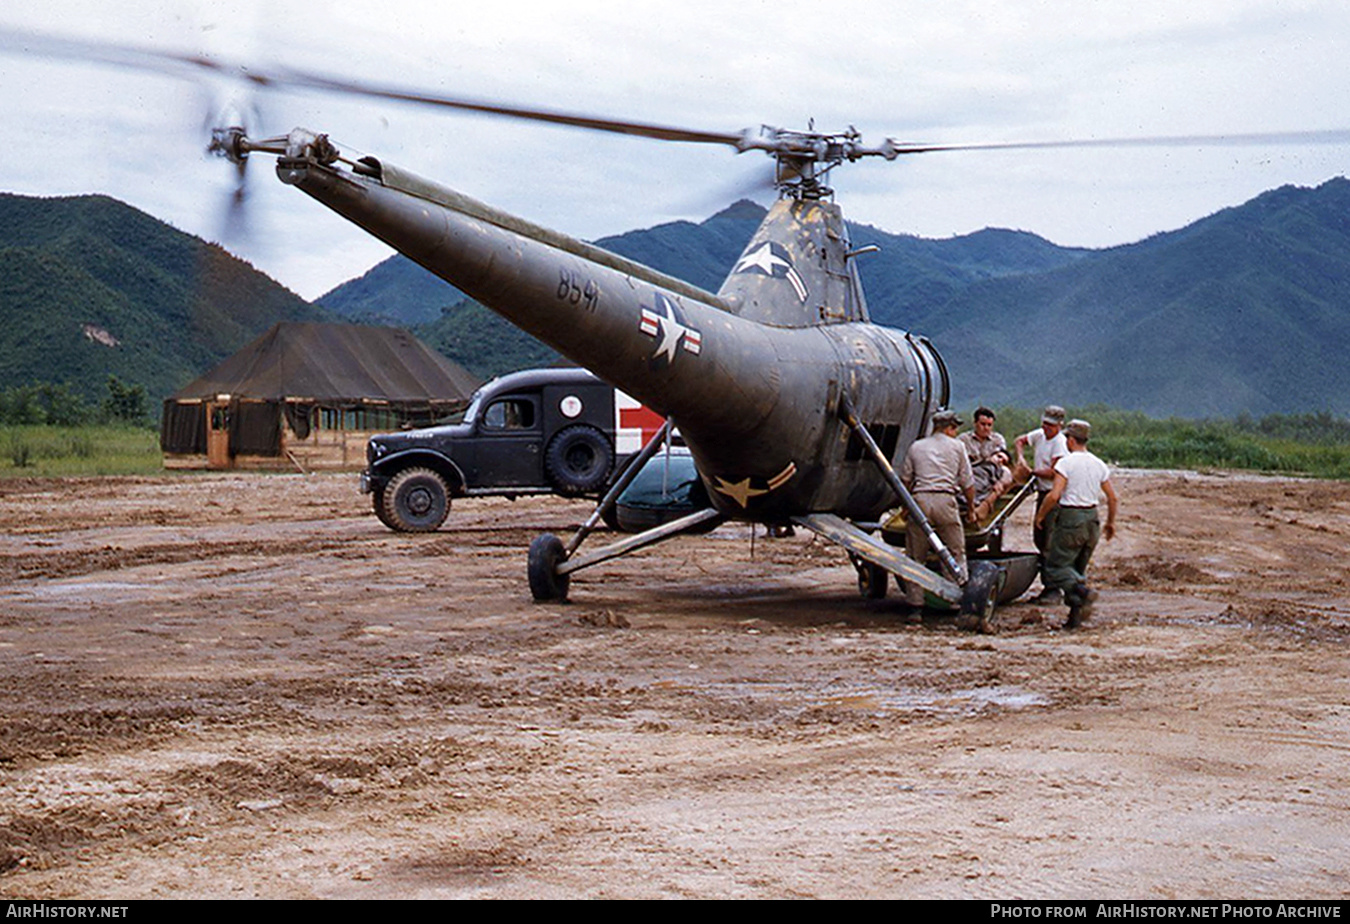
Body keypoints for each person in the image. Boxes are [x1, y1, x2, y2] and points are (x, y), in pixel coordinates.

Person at [1034, 419, 1118, 629]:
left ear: (1070, 440)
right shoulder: (1098, 464)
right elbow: (1112, 497)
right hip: (1093, 520)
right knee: (1077, 570)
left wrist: (1040, 516)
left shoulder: (1066, 463)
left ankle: (1084, 593)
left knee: (1056, 567)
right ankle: (1075, 618)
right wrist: (1110, 523)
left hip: (1071, 519)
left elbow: (1054, 496)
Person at [900, 409, 976, 608]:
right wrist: (971, 508)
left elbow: (905, 480)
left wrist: (906, 507)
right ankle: (955, 600)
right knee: (954, 552)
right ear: (950, 428)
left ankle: (915, 606)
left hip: (920, 501)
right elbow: (967, 482)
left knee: (916, 556)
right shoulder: (958, 446)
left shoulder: (917, 446)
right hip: (946, 500)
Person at [1015, 405, 1068, 598]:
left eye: (1050, 425)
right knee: (1039, 537)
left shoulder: (1060, 443)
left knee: (1049, 540)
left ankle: (1053, 587)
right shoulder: (1039, 435)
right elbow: (1019, 441)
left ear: (1059, 426)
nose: (1046, 428)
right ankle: (1050, 582)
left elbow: (1054, 472)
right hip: (1042, 493)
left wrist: (1031, 472)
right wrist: (1021, 458)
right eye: (1044, 423)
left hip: (1054, 495)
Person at [959, 406, 1014, 521]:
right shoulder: (963, 439)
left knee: (1006, 473)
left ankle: (988, 502)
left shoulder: (997, 439)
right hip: (971, 473)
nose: (986, 428)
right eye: (983, 424)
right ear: (975, 423)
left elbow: (1002, 459)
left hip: (992, 474)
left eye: (989, 425)